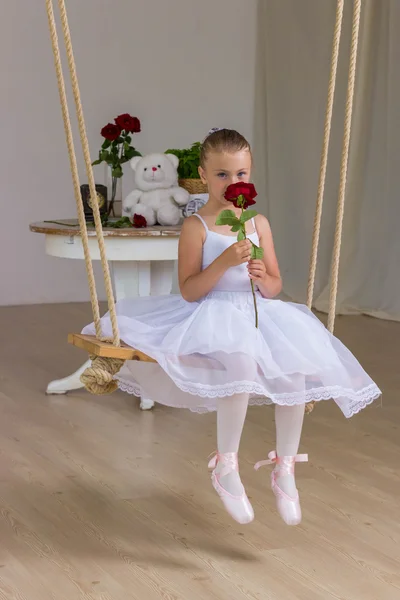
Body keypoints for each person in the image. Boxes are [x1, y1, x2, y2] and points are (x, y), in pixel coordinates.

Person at [82, 128, 381, 526]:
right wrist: (223, 264)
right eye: (222, 175)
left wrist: (261, 276)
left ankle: (285, 468)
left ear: (250, 174)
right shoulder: (197, 227)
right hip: (212, 316)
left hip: (257, 314)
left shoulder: (257, 223)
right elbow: (190, 291)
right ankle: (226, 466)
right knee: (239, 368)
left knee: (292, 374)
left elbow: (274, 286)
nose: (233, 183)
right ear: (203, 175)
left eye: (241, 174)